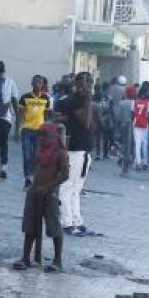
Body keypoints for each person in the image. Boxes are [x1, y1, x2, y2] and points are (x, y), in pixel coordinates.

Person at [13, 122, 69, 273]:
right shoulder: (40, 148)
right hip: (34, 190)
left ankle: (57, 260)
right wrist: (33, 183)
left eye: (44, 135)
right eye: (40, 135)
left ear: (51, 135)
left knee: (54, 226)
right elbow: (35, 166)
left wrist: (49, 187)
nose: (41, 138)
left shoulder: (60, 152)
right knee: (30, 224)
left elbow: (65, 174)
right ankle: (26, 258)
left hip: (50, 193)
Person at [57, 71, 95, 237]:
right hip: (74, 149)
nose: (89, 87)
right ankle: (66, 222)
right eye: (87, 83)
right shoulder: (74, 101)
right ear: (79, 84)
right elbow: (85, 122)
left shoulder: (84, 101)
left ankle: (77, 221)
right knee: (67, 187)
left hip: (84, 150)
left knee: (76, 188)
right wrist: (87, 100)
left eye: (91, 83)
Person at [18, 75, 51, 189]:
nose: (37, 85)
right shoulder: (24, 97)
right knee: (26, 155)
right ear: (31, 84)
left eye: (40, 83)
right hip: (27, 129)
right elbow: (20, 114)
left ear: (42, 85)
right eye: (35, 82)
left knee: (36, 156)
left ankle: (34, 177)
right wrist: (18, 129)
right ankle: (27, 178)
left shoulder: (46, 99)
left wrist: (46, 131)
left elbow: (46, 116)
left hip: (39, 131)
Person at [131, 87, 149, 170]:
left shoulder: (134, 102)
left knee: (137, 143)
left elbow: (132, 113)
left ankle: (137, 162)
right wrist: (146, 117)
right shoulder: (148, 103)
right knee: (144, 143)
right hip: (145, 124)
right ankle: (145, 162)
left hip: (136, 123)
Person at [115, 85, 136, 175]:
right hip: (134, 125)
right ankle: (129, 159)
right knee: (131, 144)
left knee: (124, 144)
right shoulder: (135, 103)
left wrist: (117, 126)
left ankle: (124, 161)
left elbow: (118, 116)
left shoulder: (122, 103)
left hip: (123, 125)